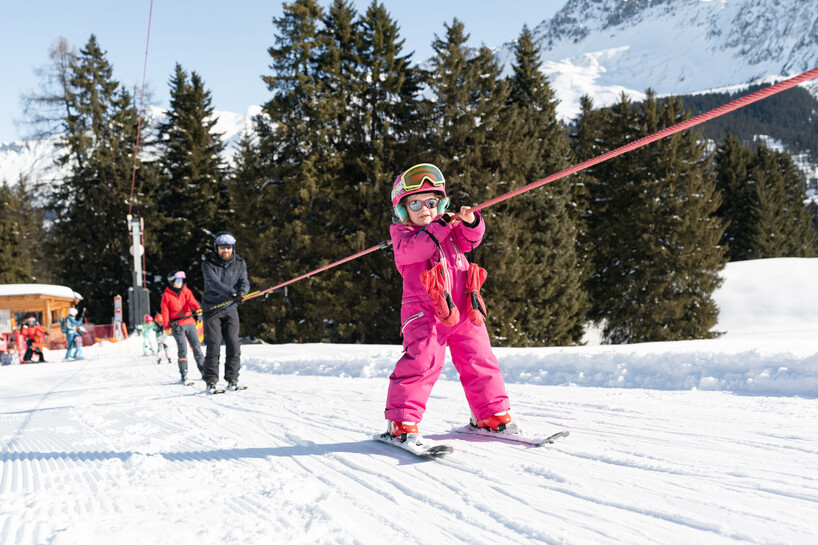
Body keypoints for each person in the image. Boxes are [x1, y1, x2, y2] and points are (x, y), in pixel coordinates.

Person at [384, 163, 511, 442]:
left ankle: (490, 414)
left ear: (441, 204)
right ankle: (402, 421)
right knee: (422, 362)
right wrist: (442, 225)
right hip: (424, 313)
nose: (425, 209)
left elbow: (471, 240)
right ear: (402, 210)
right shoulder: (403, 236)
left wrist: (470, 222)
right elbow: (420, 248)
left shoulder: (448, 229)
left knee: (479, 358)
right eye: (415, 204)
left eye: (432, 202)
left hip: (464, 308)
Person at [201, 231, 249, 393]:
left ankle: (232, 379)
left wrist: (242, 293)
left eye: (228, 248)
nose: (225, 251)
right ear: (216, 248)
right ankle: (211, 381)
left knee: (234, 344)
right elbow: (214, 284)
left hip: (230, 308)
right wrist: (231, 294)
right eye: (222, 248)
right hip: (212, 309)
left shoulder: (240, 263)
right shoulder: (208, 264)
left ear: (233, 248)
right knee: (214, 345)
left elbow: (244, 282)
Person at [160, 270, 204, 383]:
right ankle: (183, 373)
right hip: (177, 325)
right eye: (178, 280)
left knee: (196, 347)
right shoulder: (166, 295)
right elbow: (165, 312)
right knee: (182, 348)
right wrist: (166, 326)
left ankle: (204, 370)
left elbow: (192, 302)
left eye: (181, 280)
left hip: (189, 322)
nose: (180, 282)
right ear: (172, 282)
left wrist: (197, 309)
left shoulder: (186, 291)